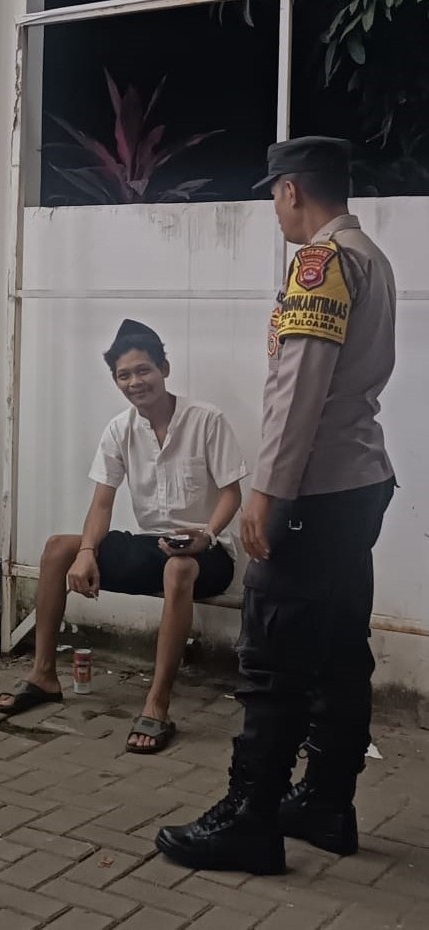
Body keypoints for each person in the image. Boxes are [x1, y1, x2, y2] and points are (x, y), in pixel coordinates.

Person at [157, 137, 398, 874]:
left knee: (271, 659)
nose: (273, 208)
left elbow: (298, 391)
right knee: (338, 651)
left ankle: (249, 819)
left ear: (291, 189)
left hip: (311, 494)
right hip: (356, 487)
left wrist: (268, 491)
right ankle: (325, 804)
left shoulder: (321, 263)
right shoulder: (371, 256)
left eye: (273, 195)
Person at [0, 320, 248, 754]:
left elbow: (232, 494)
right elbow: (102, 503)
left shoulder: (206, 420)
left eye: (143, 370)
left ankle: (157, 703)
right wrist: (86, 552)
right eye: (123, 375)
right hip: (152, 545)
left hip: (208, 553)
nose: (135, 382)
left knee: (178, 568)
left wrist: (206, 534)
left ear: (164, 368)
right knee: (59, 549)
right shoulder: (119, 429)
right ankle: (43, 675)